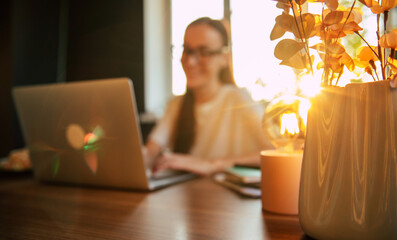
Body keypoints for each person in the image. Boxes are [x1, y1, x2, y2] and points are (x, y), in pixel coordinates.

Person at [144, 17, 272, 176]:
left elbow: (276, 151)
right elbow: (150, 152)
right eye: (187, 50)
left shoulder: (238, 99)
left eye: (204, 52)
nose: (190, 62)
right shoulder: (177, 104)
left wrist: (212, 164)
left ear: (225, 58)